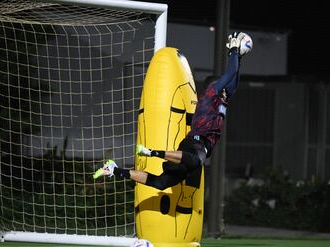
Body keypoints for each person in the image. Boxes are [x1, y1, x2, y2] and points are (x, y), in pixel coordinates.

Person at [93, 31, 253, 190]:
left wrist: (239, 57)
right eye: (224, 86)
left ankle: (113, 169)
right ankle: (151, 152)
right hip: (196, 144)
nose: (228, 89)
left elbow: (234, 82)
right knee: (196, 161)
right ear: (215, 87)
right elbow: (230, 73)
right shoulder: (210, 96)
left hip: (195, 148)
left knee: (161, 183)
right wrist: (233, 51)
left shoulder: (222, 99)